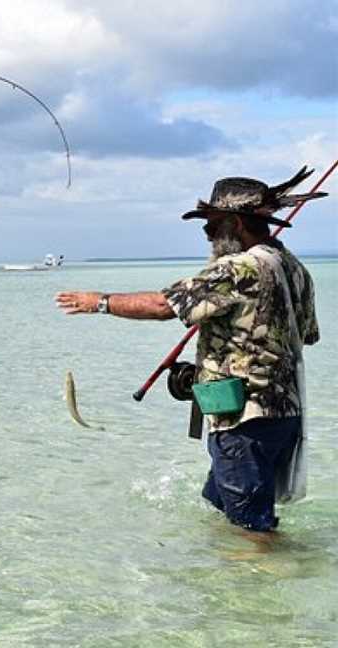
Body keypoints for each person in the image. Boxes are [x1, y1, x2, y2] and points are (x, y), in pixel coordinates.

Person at [54, 167, 327, 533]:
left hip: (244, 420)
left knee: (251, 531)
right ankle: (240, 579)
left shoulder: (238, 268)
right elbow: (306, 335)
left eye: (213, 224)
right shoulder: (294, 268)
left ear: (236, 223)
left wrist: (98, 302)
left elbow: (164, 306)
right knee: (218, 507)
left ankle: (262, 574)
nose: (208, 233)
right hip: (284, 415)